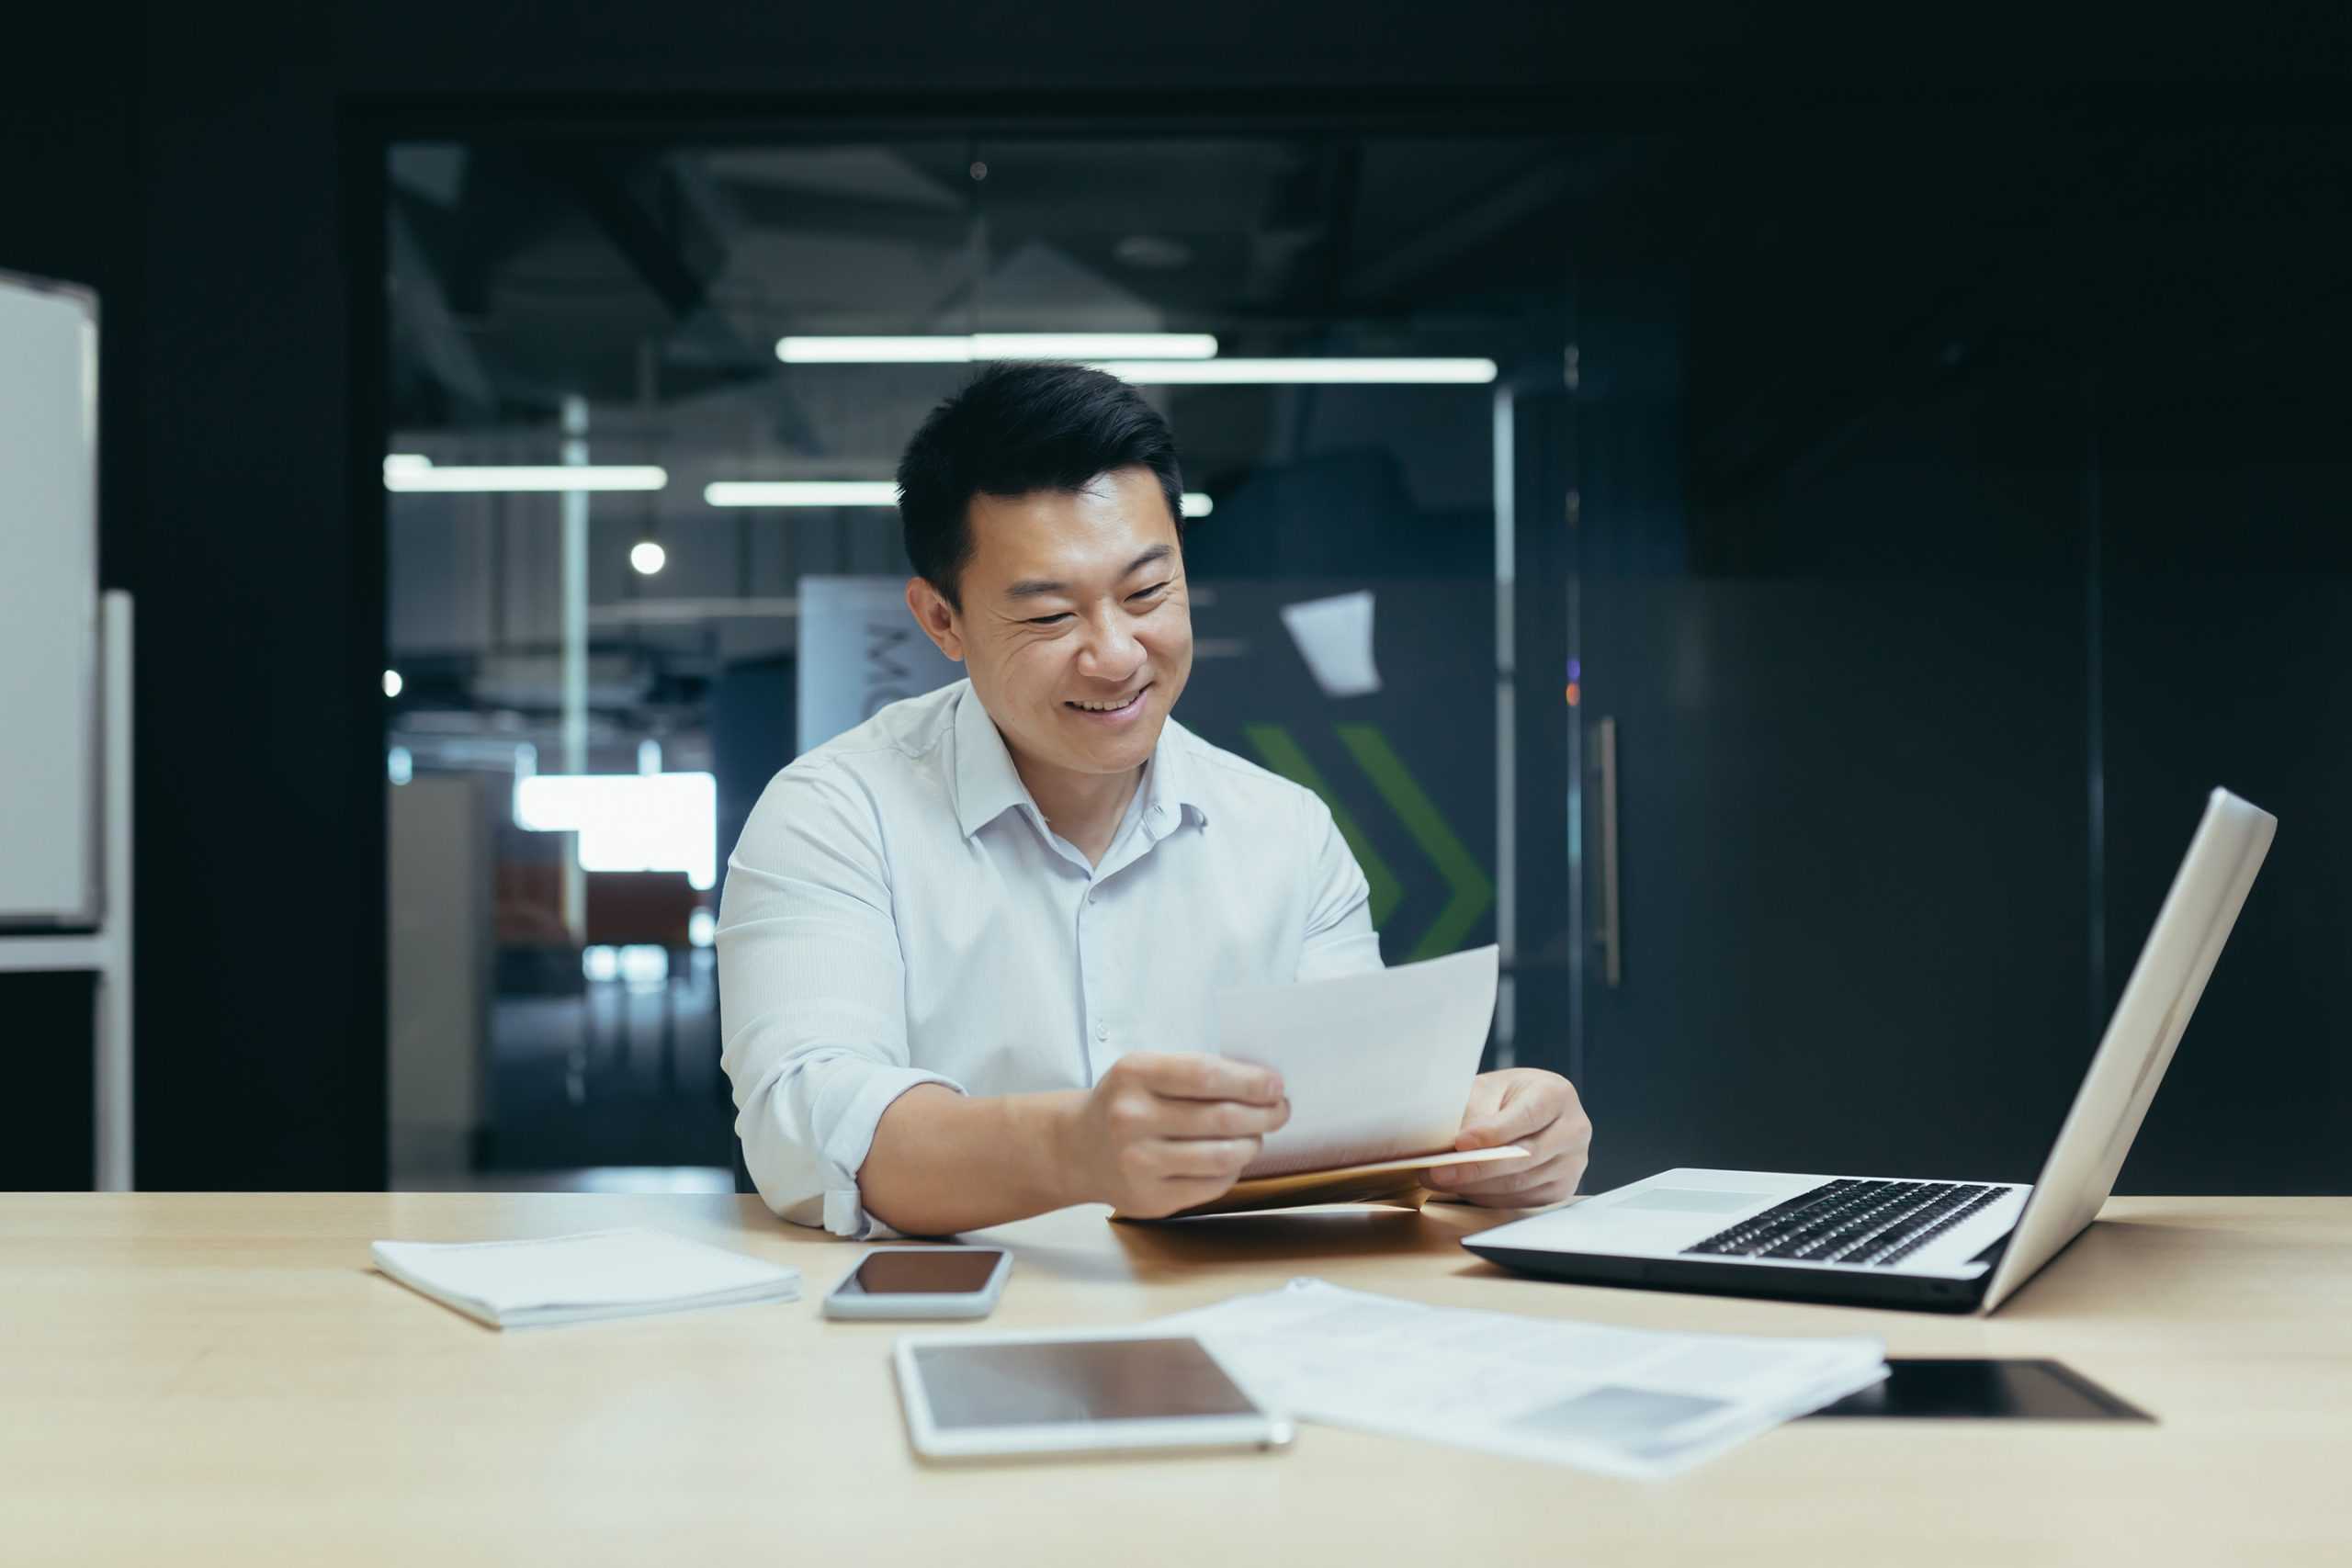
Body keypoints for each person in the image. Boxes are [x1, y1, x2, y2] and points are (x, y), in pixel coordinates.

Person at [718, 362, 1591, 1237]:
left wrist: (1485, 1143)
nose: (1116, 654)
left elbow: (1352, 1136)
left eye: (1146, 593)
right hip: (936, 1325)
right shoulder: (833, 815)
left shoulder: (1285, 834)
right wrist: (1074, 1148)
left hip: (1233, 1315)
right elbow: (807, 1124)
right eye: (1051, 616)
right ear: (942, 619)